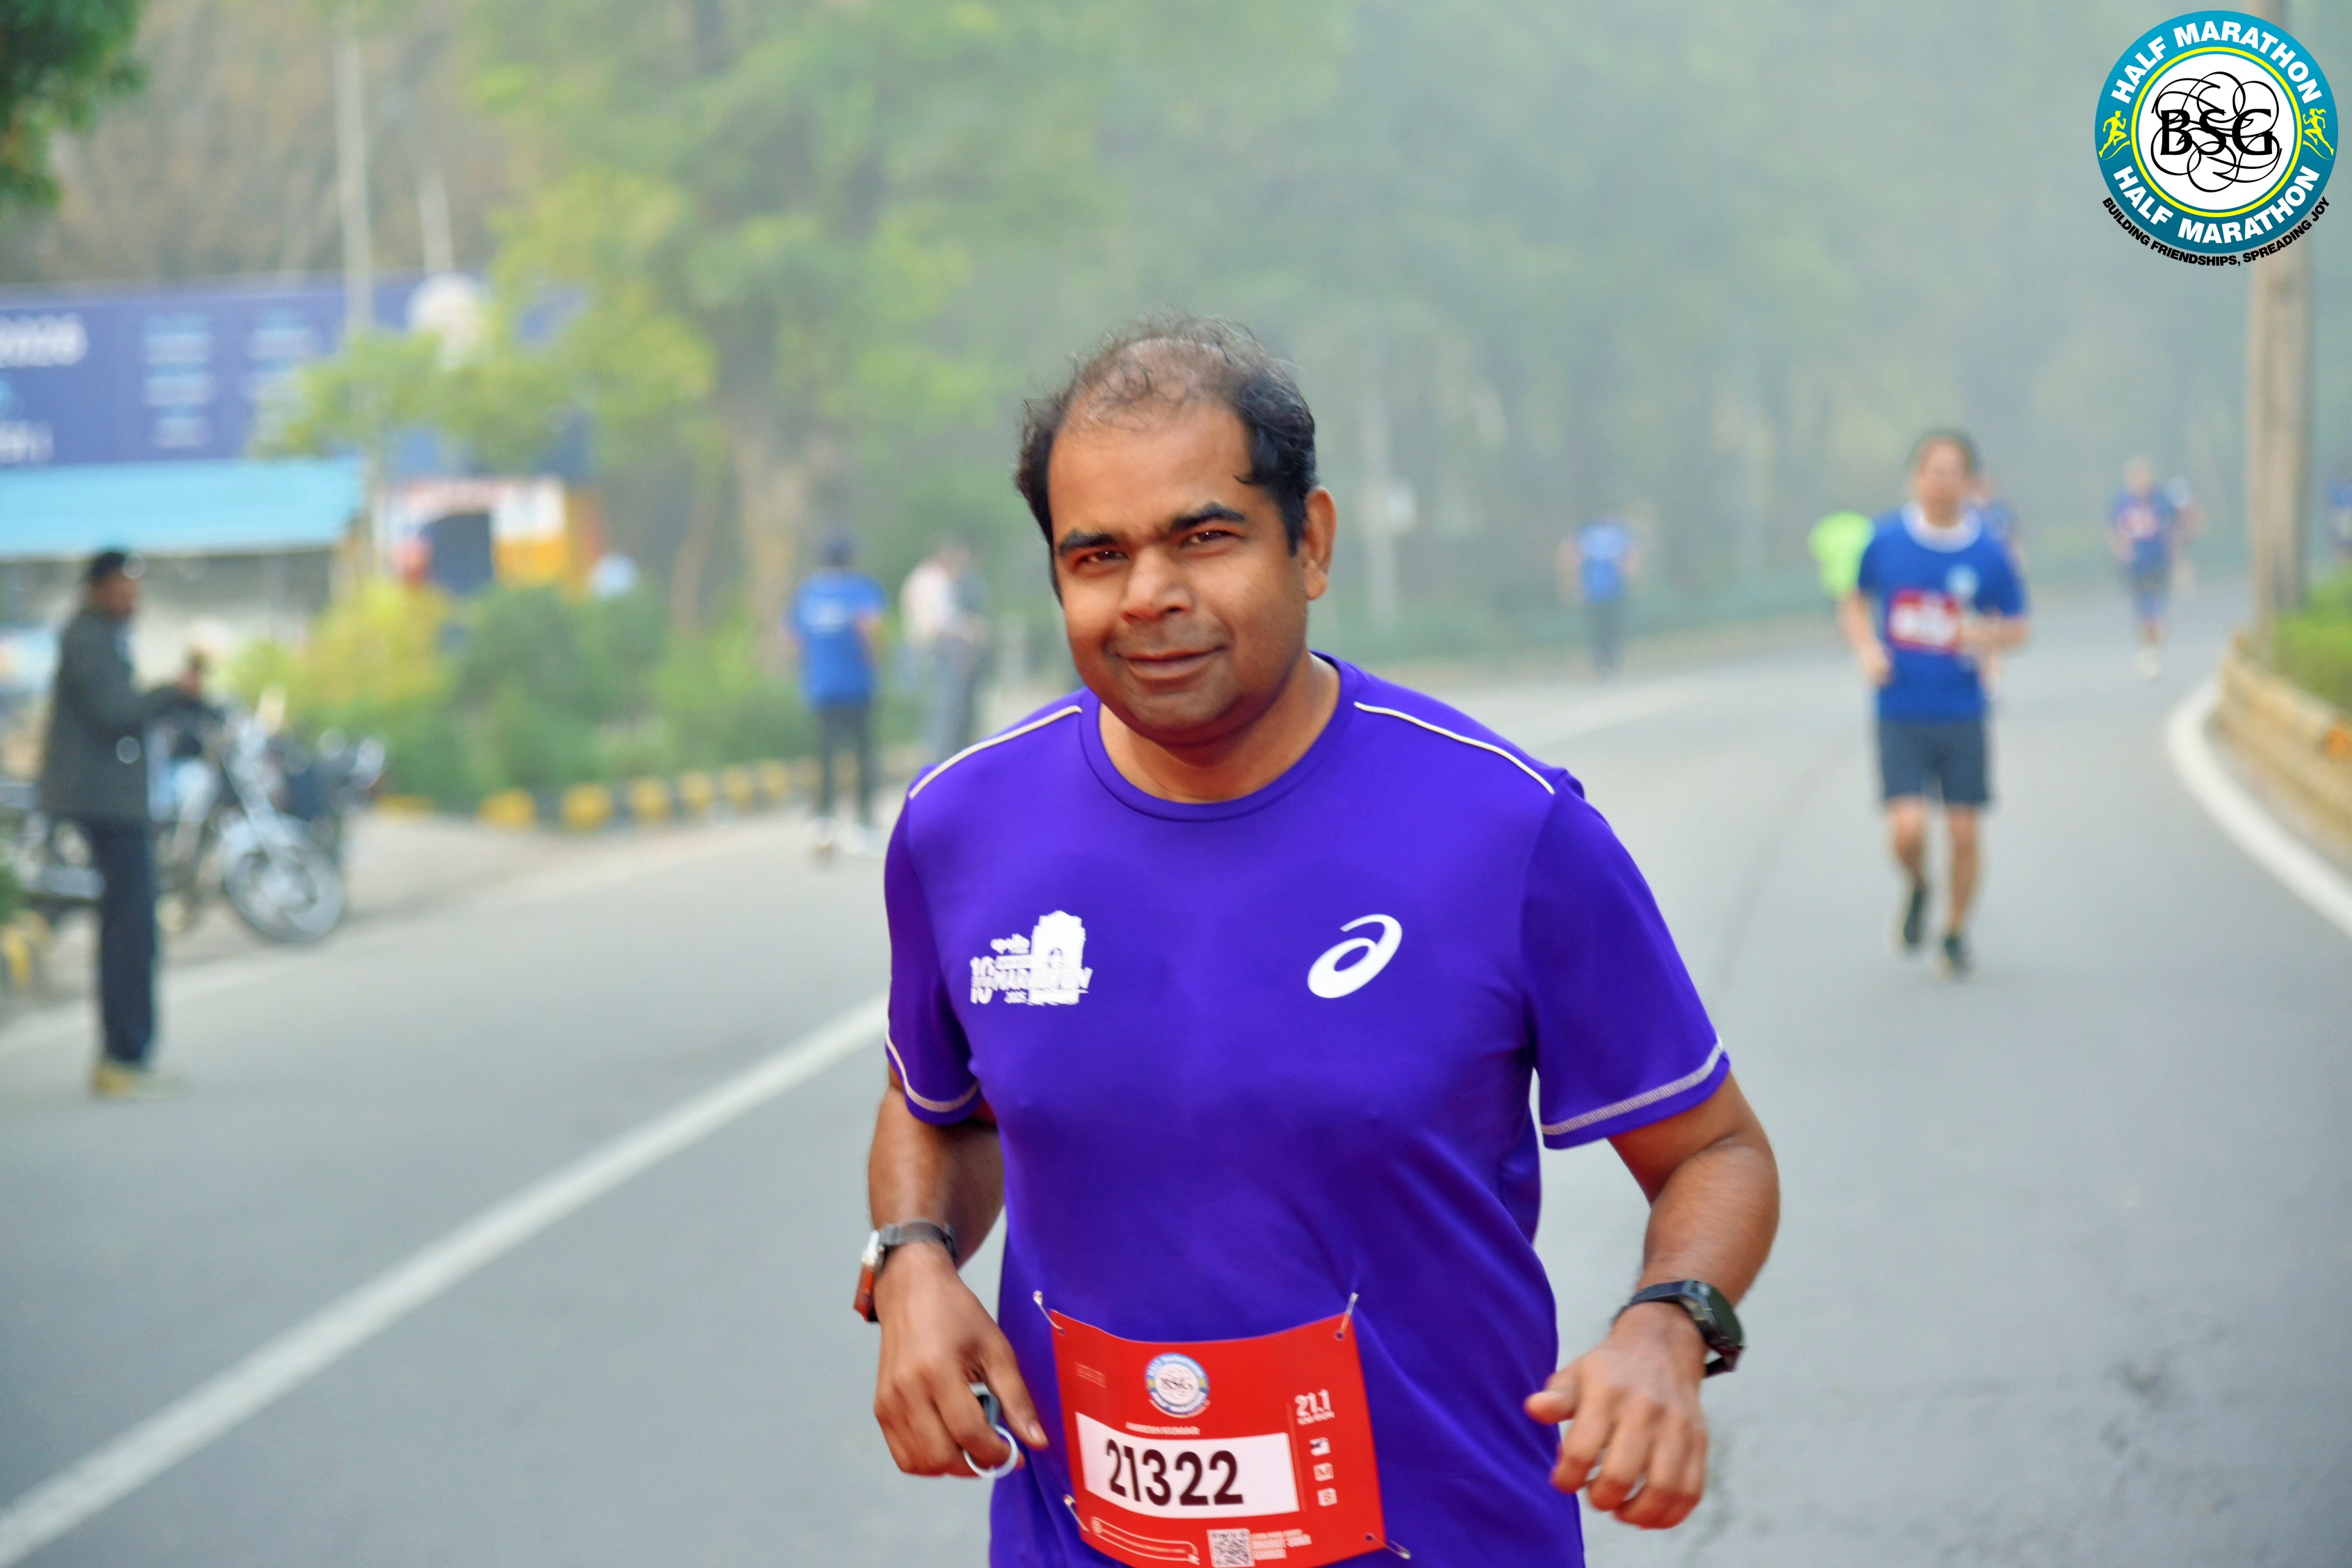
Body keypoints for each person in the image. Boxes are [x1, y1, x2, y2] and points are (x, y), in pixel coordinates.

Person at [862, 317, 1779, 1567]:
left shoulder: (1506, 829)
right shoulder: (960, 830)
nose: (1149, 595)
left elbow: (1713, 1148)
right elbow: (936, 1104)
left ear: (1311, 544)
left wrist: (1670, 1322)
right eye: (1097, 555)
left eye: (1204, 537)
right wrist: (912, 1256)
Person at [1838, 431, 2030, 979]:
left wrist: (1986, 635)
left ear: (1971, 482)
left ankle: (1954, 933)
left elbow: (2019, 625)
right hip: (1900, 708)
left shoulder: (1988, 552)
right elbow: (1855, 601)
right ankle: (1919, 884)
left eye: (1953, 473)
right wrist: (1868, 650)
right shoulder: (1885, 541)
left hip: (1963, 709)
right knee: (1908, 829)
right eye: (1932, 472)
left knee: (1964, 830)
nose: (1941, 483)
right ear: (1916, 478)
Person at [40, 549, 205, 1100]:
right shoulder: (88, 638)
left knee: (130, 929)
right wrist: (171, 693)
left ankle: (127, 1057)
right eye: (122, 585)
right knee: (130, 932)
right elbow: (116, 713)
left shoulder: (104, 637)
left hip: (117, 805)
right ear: (98, 588)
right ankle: (123, 1057)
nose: (132, 595)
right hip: (106, 808)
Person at [789, 534, 886, 856]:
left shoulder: (808, 593)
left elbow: (794, 640)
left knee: (825, 755)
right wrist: (875, 663)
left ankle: (823, 821)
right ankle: (864, 824)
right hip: (857, 687)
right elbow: (870, 630)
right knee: (863, 756)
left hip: (821, 688)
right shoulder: (860, 589)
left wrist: (807, 672)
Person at [902, 540, 991, 764]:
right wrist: (971, 630)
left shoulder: (921, 578)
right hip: (938, 650)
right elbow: (941, 621)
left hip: (928, 649)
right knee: (945, 709)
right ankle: (940, 758)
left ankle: (940, 754)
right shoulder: (934, 582)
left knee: (940, 708)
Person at [2108, 457, 2189, 679]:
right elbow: (2115, 531)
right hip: (2136, 565)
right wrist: (2120, 552)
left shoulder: (2161, 499)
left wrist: (2178, 555)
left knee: (2157, 606)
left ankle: (2156, 649)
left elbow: (2177, 525)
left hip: (2158, 560)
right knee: (2143, 609)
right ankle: (2149, 649)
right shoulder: (2122, 501)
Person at [1558, 516, 1638, 673]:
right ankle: (1609, 662)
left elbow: (1570, 558)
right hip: (1609, 590)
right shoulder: (1617, 533)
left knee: (1599, 629)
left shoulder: (1584, 534)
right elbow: (1631, 558)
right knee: (1610, 628)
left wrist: (1572, 585)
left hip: (1597, 590)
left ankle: (1603, 662)